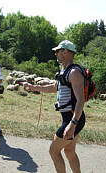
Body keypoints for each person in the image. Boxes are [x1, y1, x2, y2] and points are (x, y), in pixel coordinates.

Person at [24, 40, 85, 173]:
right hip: (70, 117)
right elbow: (54, 87)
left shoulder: (74, 72)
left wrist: (73, 124)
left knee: (53, 150)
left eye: (58, 51)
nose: (56, 54)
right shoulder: (65, 71)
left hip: (73, 117)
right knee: (69, 151)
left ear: (65, 52)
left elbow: (81, 100)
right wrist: (34, 87)